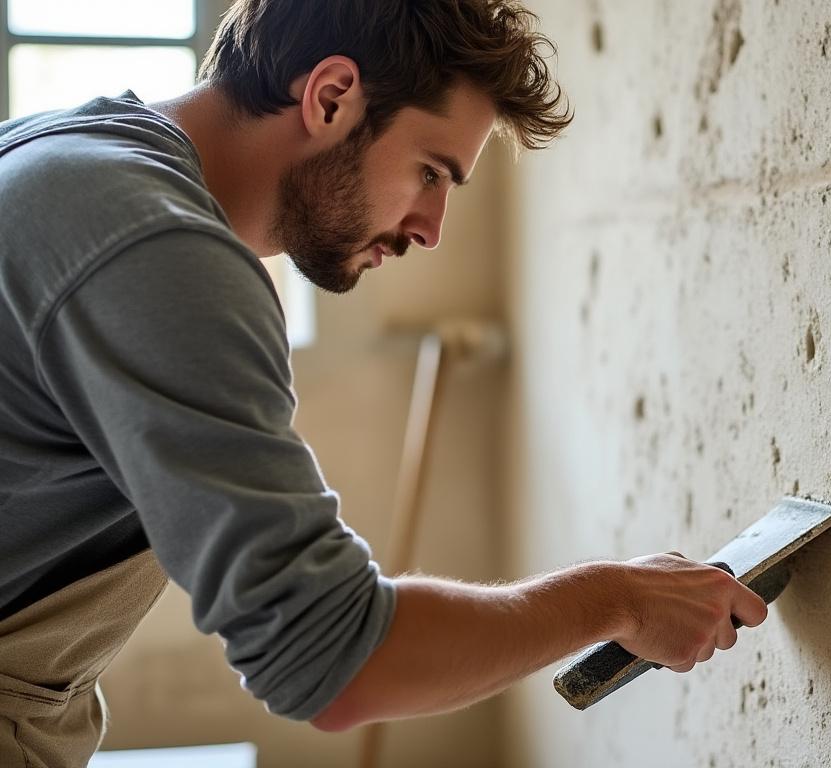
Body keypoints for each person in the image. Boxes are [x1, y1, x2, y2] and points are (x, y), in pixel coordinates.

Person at [0, 1, 767, 764]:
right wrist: (619, 600)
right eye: (430, 172)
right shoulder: (156, 250)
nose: (432, 228)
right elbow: (333, 662)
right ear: (331, 96)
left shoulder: (63, 152)